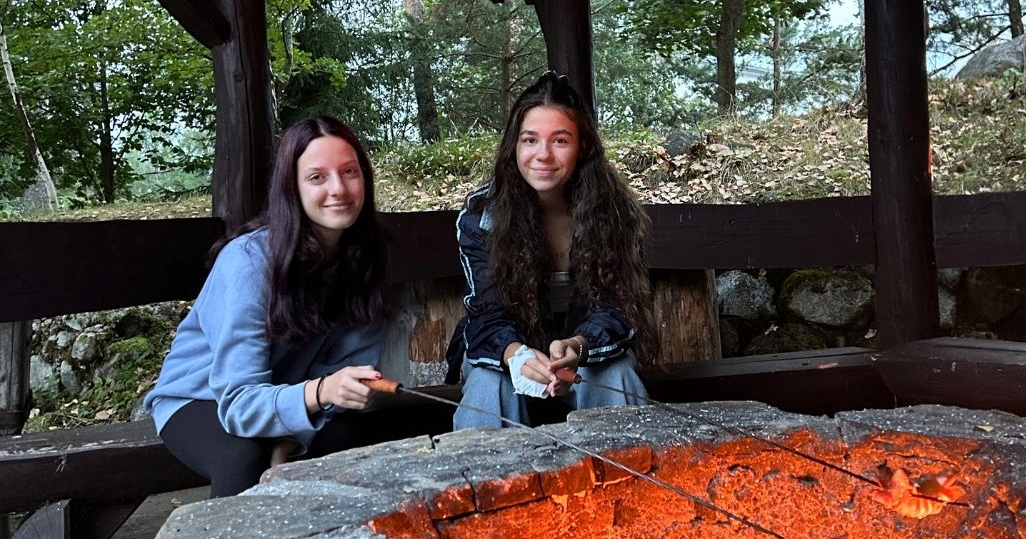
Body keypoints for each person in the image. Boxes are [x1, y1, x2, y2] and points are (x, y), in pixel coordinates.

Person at [145, 116, 391, 496]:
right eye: (317, 177)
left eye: (349, 172)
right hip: (203, 398)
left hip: (290, 394)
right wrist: (319, 394)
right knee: (244, 457)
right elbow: (238, 404)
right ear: (292, 188)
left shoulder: (365, 260)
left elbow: (348, 381)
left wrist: (295, 435)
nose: (338, 189)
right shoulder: (249, 262)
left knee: (356, 434)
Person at [447, 71, 654, 430]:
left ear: (582, 147)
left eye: (560, 140)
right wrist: (518, 356)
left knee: (613, 375)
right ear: (514, 147)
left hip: (585, 351)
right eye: (530, 140)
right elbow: (487, 314)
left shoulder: (611, 212)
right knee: (489, 384)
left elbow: (617, 307)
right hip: (508, 350)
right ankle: (485, 468)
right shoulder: (483, 216)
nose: (542, 155)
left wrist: (577, 346)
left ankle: (625, 464)